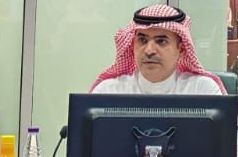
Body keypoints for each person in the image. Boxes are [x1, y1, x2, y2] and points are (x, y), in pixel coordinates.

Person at [89, 5, 227, 95]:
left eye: (161, 41)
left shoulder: (203, 90)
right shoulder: (107, 91)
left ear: (180, 49)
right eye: (142, 40)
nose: (149, 51)